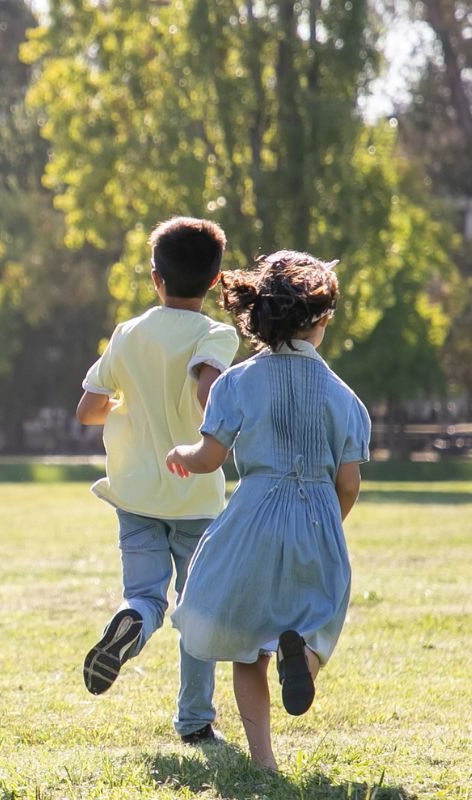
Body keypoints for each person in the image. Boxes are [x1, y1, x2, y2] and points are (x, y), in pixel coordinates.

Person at [167, 251, 369, 772]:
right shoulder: (344, 398)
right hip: (318, 517)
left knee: (246, 644)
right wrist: (327, 523)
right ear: (320, 320)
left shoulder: (235, 382)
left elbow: (210, 458)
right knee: (319, 619)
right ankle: (302, 660)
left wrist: (181, 454)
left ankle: (264, 763)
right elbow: (349, 482)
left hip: (253, 516)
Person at [75, 217, 239, 743]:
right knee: (198, 609)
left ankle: (130, 622)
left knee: (144, 595)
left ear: (155, 278)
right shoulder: (217, 333)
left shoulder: (128, 332)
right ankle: (195, 722)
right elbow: (206, 389)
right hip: (194, 493)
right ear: (215, 281)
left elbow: (88, 409)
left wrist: (133, 408)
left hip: (136, 492)